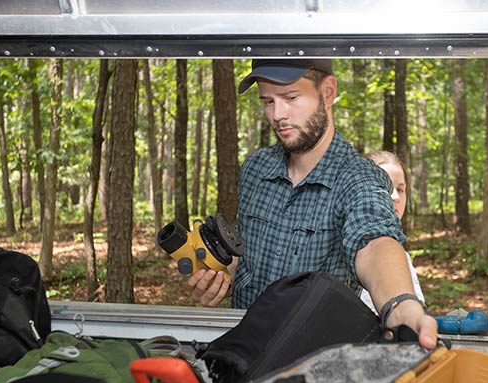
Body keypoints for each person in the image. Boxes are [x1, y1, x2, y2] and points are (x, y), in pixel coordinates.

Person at [187, 58, 437, 349]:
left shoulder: (359, 178)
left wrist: (401, 305)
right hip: (238, 354)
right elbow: (245, 257)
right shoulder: (255, 168)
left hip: (310, 363)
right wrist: (219, 279)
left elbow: (375, 243)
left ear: (328, 92)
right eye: (267, 101)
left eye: (290, 97)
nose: (277, 114)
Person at [359, 150, 425, 314]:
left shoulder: (400, 254)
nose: (395, 197)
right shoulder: (348, 250)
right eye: (385, 186)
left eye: (400, 189)